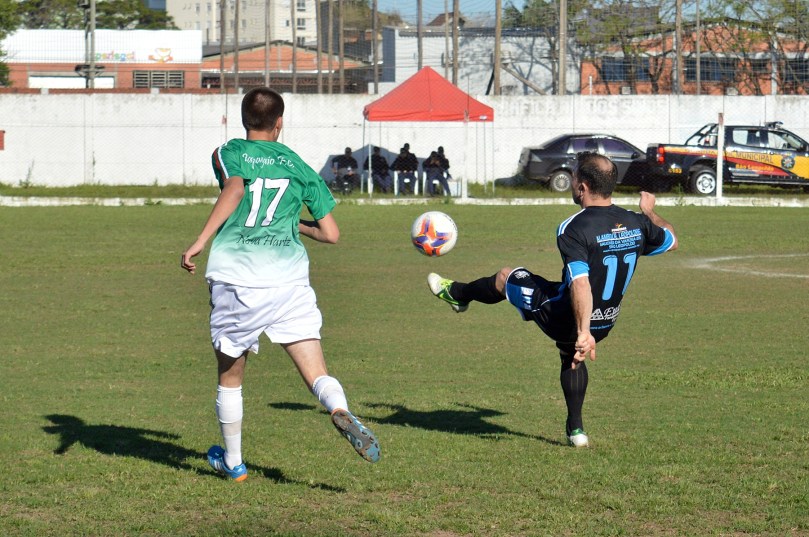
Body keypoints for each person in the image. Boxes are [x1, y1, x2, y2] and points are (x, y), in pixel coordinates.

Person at [181, 87, 380, 481]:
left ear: (243, 120)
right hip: (289, 281)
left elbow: (235, 189)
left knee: (231, 371)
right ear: (280, 122)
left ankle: (234, 462)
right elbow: (331, 234)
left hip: (238, 278)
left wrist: (201, 240)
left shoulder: (230, 151)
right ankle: (338, 408)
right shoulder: (299, 166)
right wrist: (295, 225)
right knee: (315, 370)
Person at [427, 152, 678, 448]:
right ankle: (576, 431)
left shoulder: (574, 227)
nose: (571, 182)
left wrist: (583, 331)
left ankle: (457, 294)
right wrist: (648, 211)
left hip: (568, 315)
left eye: (573, 177)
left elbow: (581, 283)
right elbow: (671, 240)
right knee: (570, 353)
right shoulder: (636, 223)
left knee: (507, 277)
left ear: (582, 186)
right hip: (605, 322)